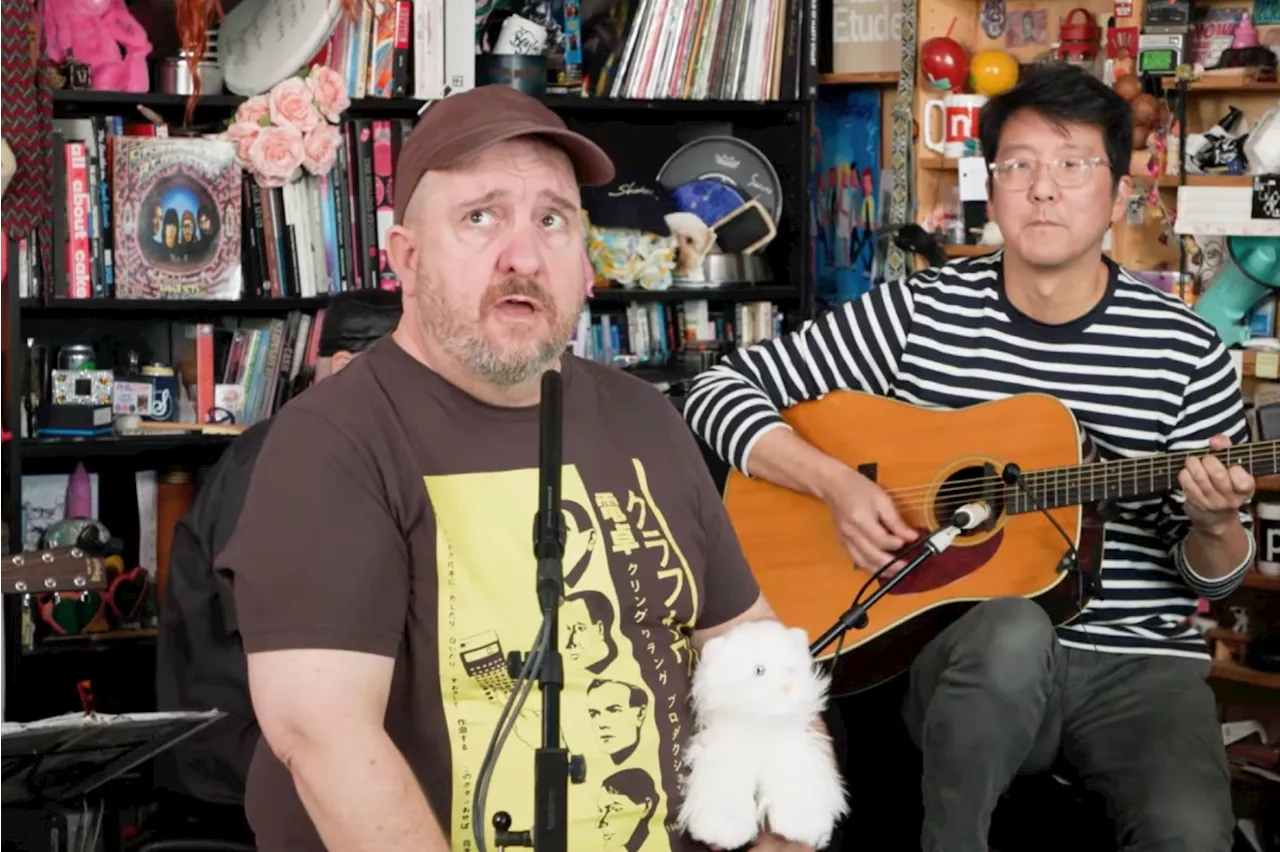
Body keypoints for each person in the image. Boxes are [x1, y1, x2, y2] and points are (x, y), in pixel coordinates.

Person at [214, 84, 831, 852]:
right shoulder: (332, 445)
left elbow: (755, 653)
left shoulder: (647, 419)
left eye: (552, 219)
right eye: (480, 217)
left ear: (583, 258)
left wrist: (788, 830)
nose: (523, 255)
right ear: (405, 256)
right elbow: (324, 737)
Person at [683, 64, 1252, 852]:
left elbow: (1213, 577)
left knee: (1190, 834)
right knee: (1011, 629)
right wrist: (836, 483)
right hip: (954, 656)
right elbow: (716, 389)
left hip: (1135, 667)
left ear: (1120, 194)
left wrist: (1215, 522)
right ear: (992, 184)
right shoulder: (922, 310)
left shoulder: (1186, 350)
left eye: (1073, 165)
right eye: (1019, 164)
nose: (1043, 189)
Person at [150, 289, 404, 840]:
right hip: (237, 773)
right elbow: (304, 659)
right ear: (342, 367)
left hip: (274, 759)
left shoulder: (340, 453)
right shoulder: (286, 460)